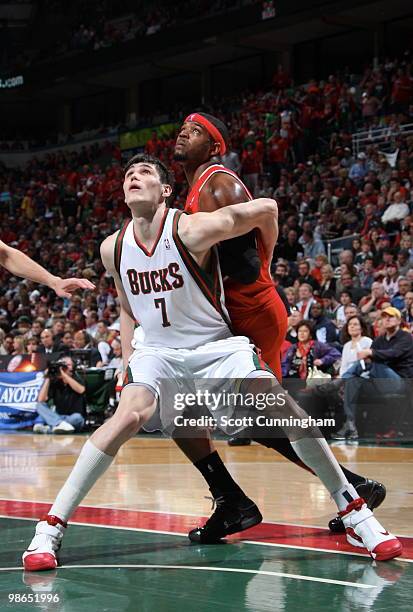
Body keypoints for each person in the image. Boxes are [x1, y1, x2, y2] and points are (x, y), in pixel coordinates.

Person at [22, 155, 401, 572]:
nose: (134, 176)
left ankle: (356, 512)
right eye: (129, 173)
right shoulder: (113, 246)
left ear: (165, 191)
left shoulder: (191, 227)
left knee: (278, 408)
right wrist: (129, 359)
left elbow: (268, 209)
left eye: (145, 173)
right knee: (128, 415)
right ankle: (51, 528)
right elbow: (128, 306)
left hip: (213, 345)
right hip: (159, 353)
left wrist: (266, 270)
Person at [173, 112, 385, 541]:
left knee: (246, 416)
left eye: (194, 131)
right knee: (254, 422)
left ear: (215, 147)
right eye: (182, 129)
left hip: (249, 310)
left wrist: (231, 283)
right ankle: (351, 486)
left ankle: (347, 492)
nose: (183, 134)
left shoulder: (221, 183)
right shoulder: (198, 188)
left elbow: (248, 259)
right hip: (242, 311)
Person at [333, 307, 413, 440]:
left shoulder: (406, 337)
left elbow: (394, 353)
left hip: (400, 382)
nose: (387, 319)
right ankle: (351, 426)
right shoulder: (380, 340)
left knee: (374, 363)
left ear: (399, 320)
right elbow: (367, 360)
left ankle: (340, 380)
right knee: (353, 383)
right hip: (379, 382)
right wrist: (369, 356)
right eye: (384, 317)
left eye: (391, 317)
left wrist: (371, 353)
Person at [33, 356, 86, 434]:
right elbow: (41, 400)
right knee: (39, 405)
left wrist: (63, 375)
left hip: (73, 417)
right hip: (58, 416)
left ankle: (50, 427)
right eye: (62, 365)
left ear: (73, 367)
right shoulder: (55, 382)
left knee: (77, 418)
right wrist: (47, 378)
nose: (64, 367)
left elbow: (81, 390)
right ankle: (59, 425)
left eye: (68, 365)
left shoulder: (77, 377)